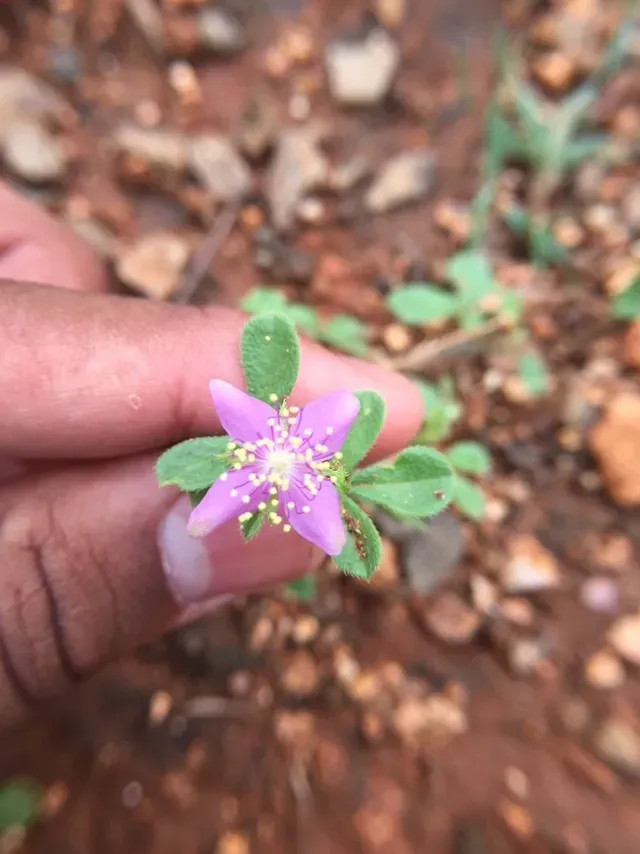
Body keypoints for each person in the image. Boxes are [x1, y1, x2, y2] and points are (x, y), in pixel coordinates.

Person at [0, 181, 423, 729]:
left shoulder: (319, 450)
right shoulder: (245, 432)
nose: (275, 462)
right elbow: (228, 411)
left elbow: (344, 414)